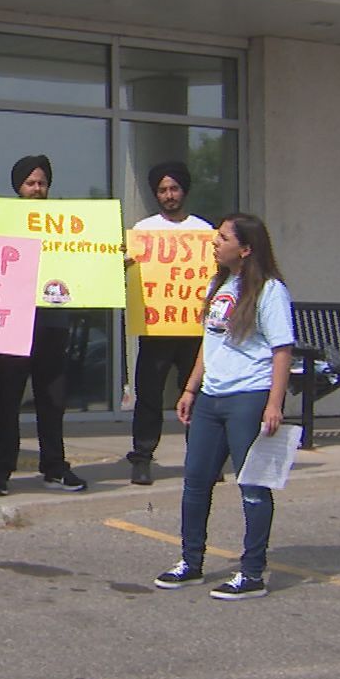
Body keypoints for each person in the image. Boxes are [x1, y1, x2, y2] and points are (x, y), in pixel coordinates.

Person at [155, 213, 294, 600]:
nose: (214, 243)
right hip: (211, 399)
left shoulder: (269, 291)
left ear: (245, 249)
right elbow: (210, 343)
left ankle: (252, 572)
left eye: (222, 238)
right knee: (196, 481)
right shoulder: (220, 285)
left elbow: (282, 350)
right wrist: (190, 389)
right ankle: (190, 561)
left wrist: (274, 404)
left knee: (251, 485)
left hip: (248, 397)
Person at [0, 155, 87, 495]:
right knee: (7, 402)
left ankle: (55, 467)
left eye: (42, 183)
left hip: (52, 323)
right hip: (10, 324)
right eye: (30, 183)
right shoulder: (2, 221)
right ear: (19, 187)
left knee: (52, 399)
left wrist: (108, 258)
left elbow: (86, 258)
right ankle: (0, 471)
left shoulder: (65, 223)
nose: (37, 189)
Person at [127, 161, 213, 486]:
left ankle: (203, 458)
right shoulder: (144, 229)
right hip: (156, 329)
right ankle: (142, 457)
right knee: (148, 395)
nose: (168, 195)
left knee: (197, 394)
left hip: (193, 330)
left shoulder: (204, 231)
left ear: (184, 191)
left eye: (174, 188)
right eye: (162, 190)